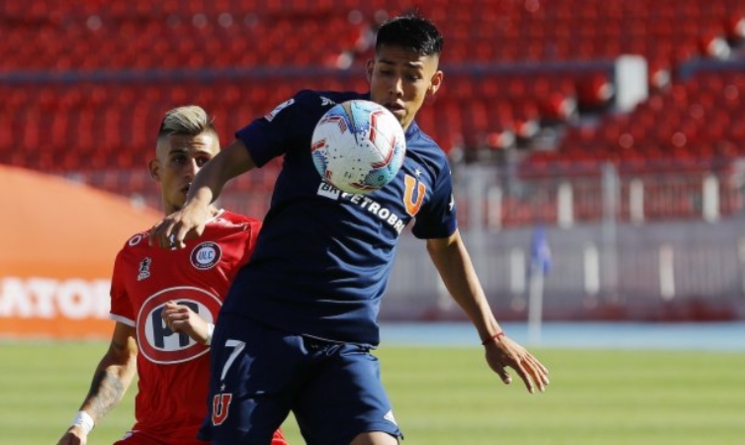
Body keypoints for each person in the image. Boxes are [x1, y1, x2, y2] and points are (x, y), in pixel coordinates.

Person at [150, 15, 550, 445]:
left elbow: (446, 246)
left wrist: (491, 334)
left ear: (434, 83)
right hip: (261, 326)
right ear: (370, 70)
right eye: (387, 71)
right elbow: (228, 159)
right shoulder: (313, 113)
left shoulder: (430, 165)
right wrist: (196, 205)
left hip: (343, 345)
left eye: (412, 76)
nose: (396, 87)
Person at [57, 106, 288, 445]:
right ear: (156, 169)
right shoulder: (134, 255)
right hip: (156, 434)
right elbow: (122, 354)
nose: (193, 171)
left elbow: (284, 343)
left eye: (204, 160)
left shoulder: (251, 239)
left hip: (239, 432)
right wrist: (82, 423)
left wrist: (210, 333)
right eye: (179, 159)